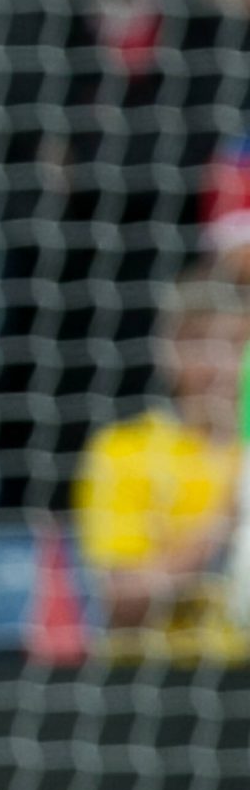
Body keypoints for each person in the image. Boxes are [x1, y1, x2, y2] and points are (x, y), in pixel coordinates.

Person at [75, 275, 250, 660]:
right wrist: (226, 520)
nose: (224, 366)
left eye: (238, 346)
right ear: (170, 351)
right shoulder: (125, 450)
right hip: (152, 683)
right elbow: (119, 601)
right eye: (203, 345)